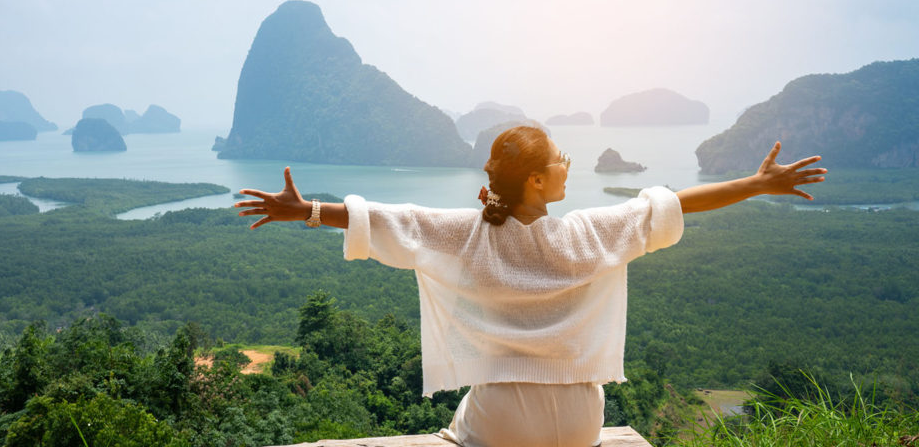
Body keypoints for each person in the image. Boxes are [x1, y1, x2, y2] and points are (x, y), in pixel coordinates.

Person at [233, 126, 825, 447]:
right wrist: (756, 183)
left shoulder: (466, 235)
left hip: (502, 421)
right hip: (582, 421)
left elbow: (389, 218)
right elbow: (674, 203)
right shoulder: (591, 233)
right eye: (561, 156)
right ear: (539, 180)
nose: (570, 162)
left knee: (457, 429)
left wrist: (308, 210)